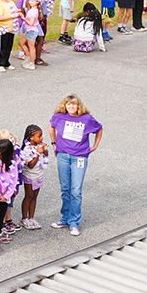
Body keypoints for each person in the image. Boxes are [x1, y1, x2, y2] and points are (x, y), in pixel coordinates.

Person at [50, 94, 103, 236]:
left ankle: (74, 222)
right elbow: (51, 126)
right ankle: (65, 218)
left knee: (76, 190)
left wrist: (95, 145)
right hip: (63, 156)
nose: (71, 107)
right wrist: (54, 143)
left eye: (74, 104)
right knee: (65, 188)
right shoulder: (59, 116)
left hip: (79, 157)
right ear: (65, 105)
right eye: (68, 104)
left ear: (79, 105)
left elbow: (99, 129)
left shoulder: (87, 119)